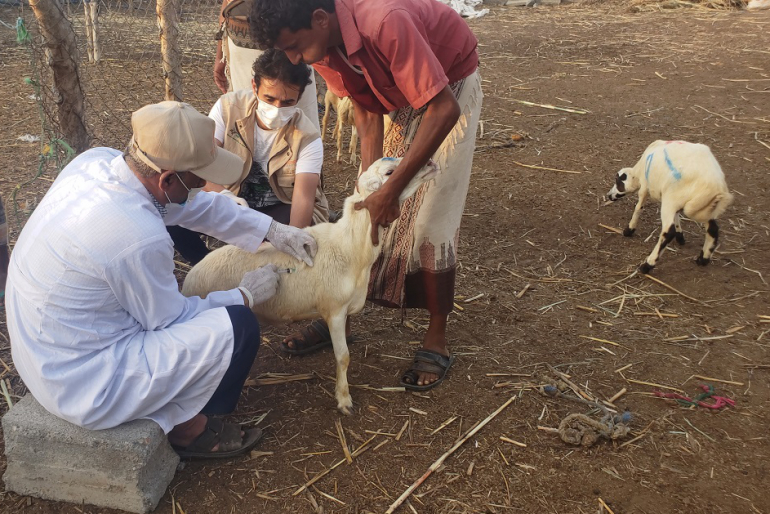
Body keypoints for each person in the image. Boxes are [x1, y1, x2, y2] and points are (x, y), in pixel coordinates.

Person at [5, 101, 317, 459]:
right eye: (198, 178)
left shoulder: (97, 164)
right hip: (83, 381)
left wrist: (273, 230)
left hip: (41, 351)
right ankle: (189, 430)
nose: (204, 185)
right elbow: (172, 320)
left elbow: (193, 205)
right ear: (167, 179)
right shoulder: (136, 235)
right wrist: (244, 294)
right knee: (238, 326)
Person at [249, 0, 483, 391]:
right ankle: (340, 317)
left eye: (294, 47)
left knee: (429, 216)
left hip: (449, 87)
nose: (292, 58)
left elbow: (443, 108)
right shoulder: (319, 44)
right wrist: (371, 184)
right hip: (401, 93)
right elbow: (364, 108)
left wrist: (391, 191)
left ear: (320, 21)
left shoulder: (385, 22)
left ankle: (436, 337)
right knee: (364, 215)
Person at [168, 49, 328, 265]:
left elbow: (303, 199)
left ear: (299, 98)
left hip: (279, 207)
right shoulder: (227, 108)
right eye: (269, 98)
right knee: (171, 211)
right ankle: (206, 266)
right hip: (234, 199)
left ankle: (262, 265)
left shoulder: (307, 137)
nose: (276, 109)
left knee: (280, 239)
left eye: (288, 102)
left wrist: (289, 240)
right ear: (254, 86)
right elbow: (202, 165)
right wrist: (224, 196)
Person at [214, 0, 321, 132]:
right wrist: (220, 55)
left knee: (299, 118)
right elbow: (227, 3)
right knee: (249, 112)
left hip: (292, 30)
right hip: (242, 38)